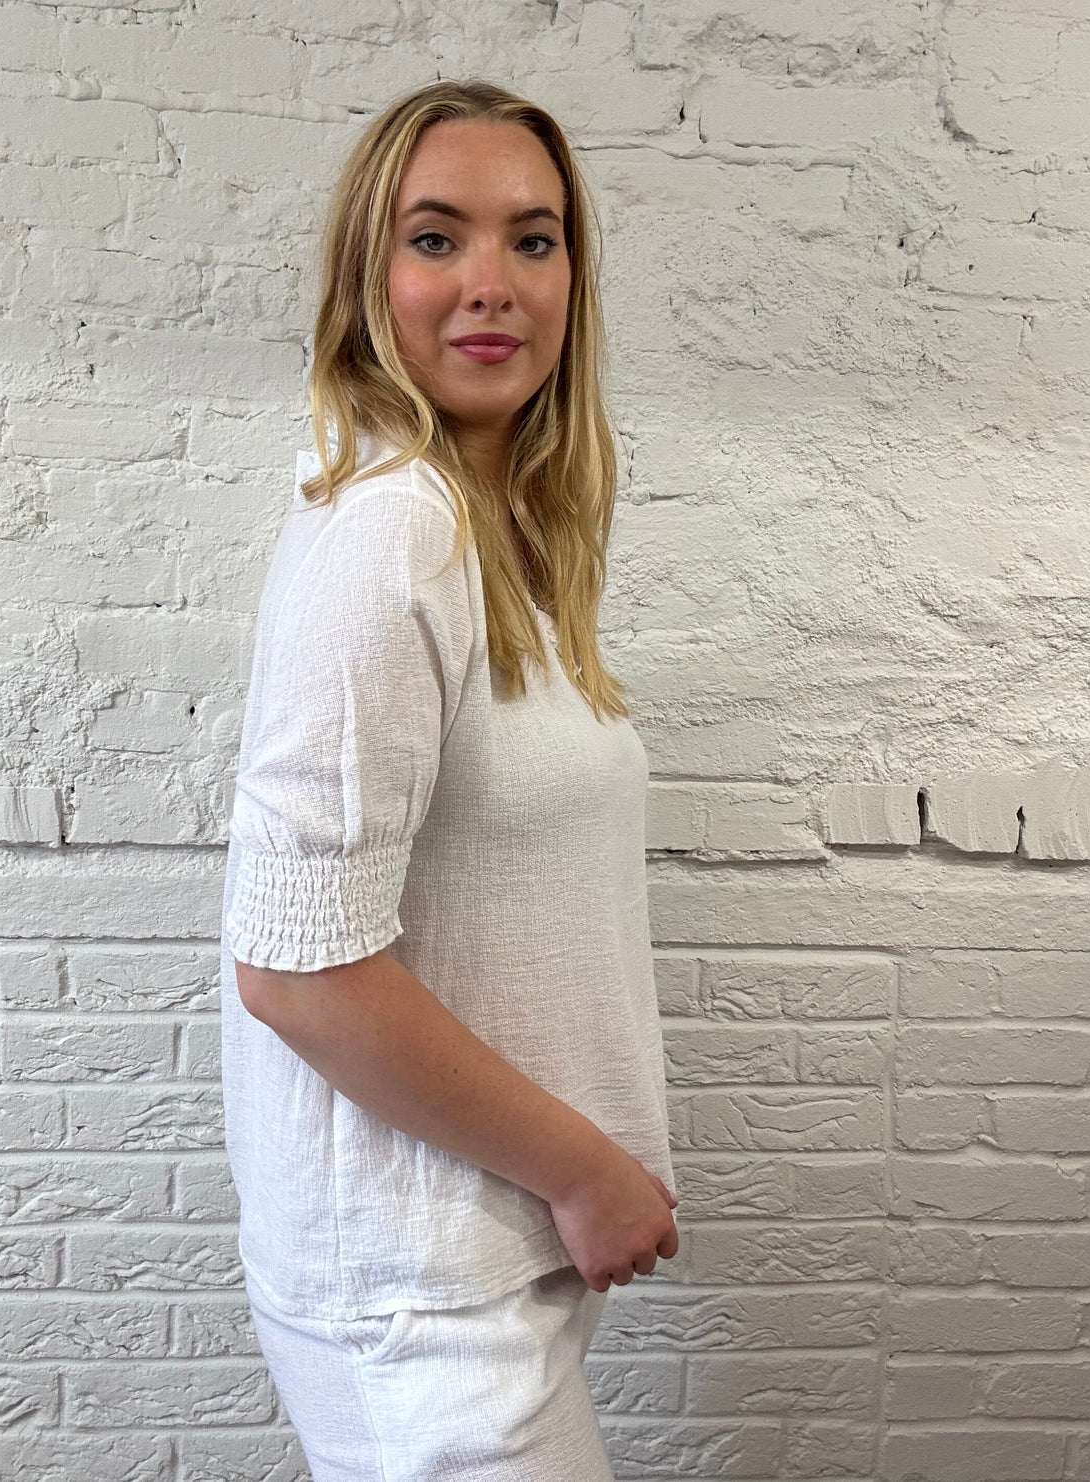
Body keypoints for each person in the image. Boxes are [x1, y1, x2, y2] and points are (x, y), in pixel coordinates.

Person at [219, 77, 679, 1482]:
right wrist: (586, 1171)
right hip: (419, 1305)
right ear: (370, 277)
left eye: (533, 239)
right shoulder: (394, 533)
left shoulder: (488, 533)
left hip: (469, 1273)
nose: (492, 283)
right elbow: (298, 970)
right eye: (437, 238)